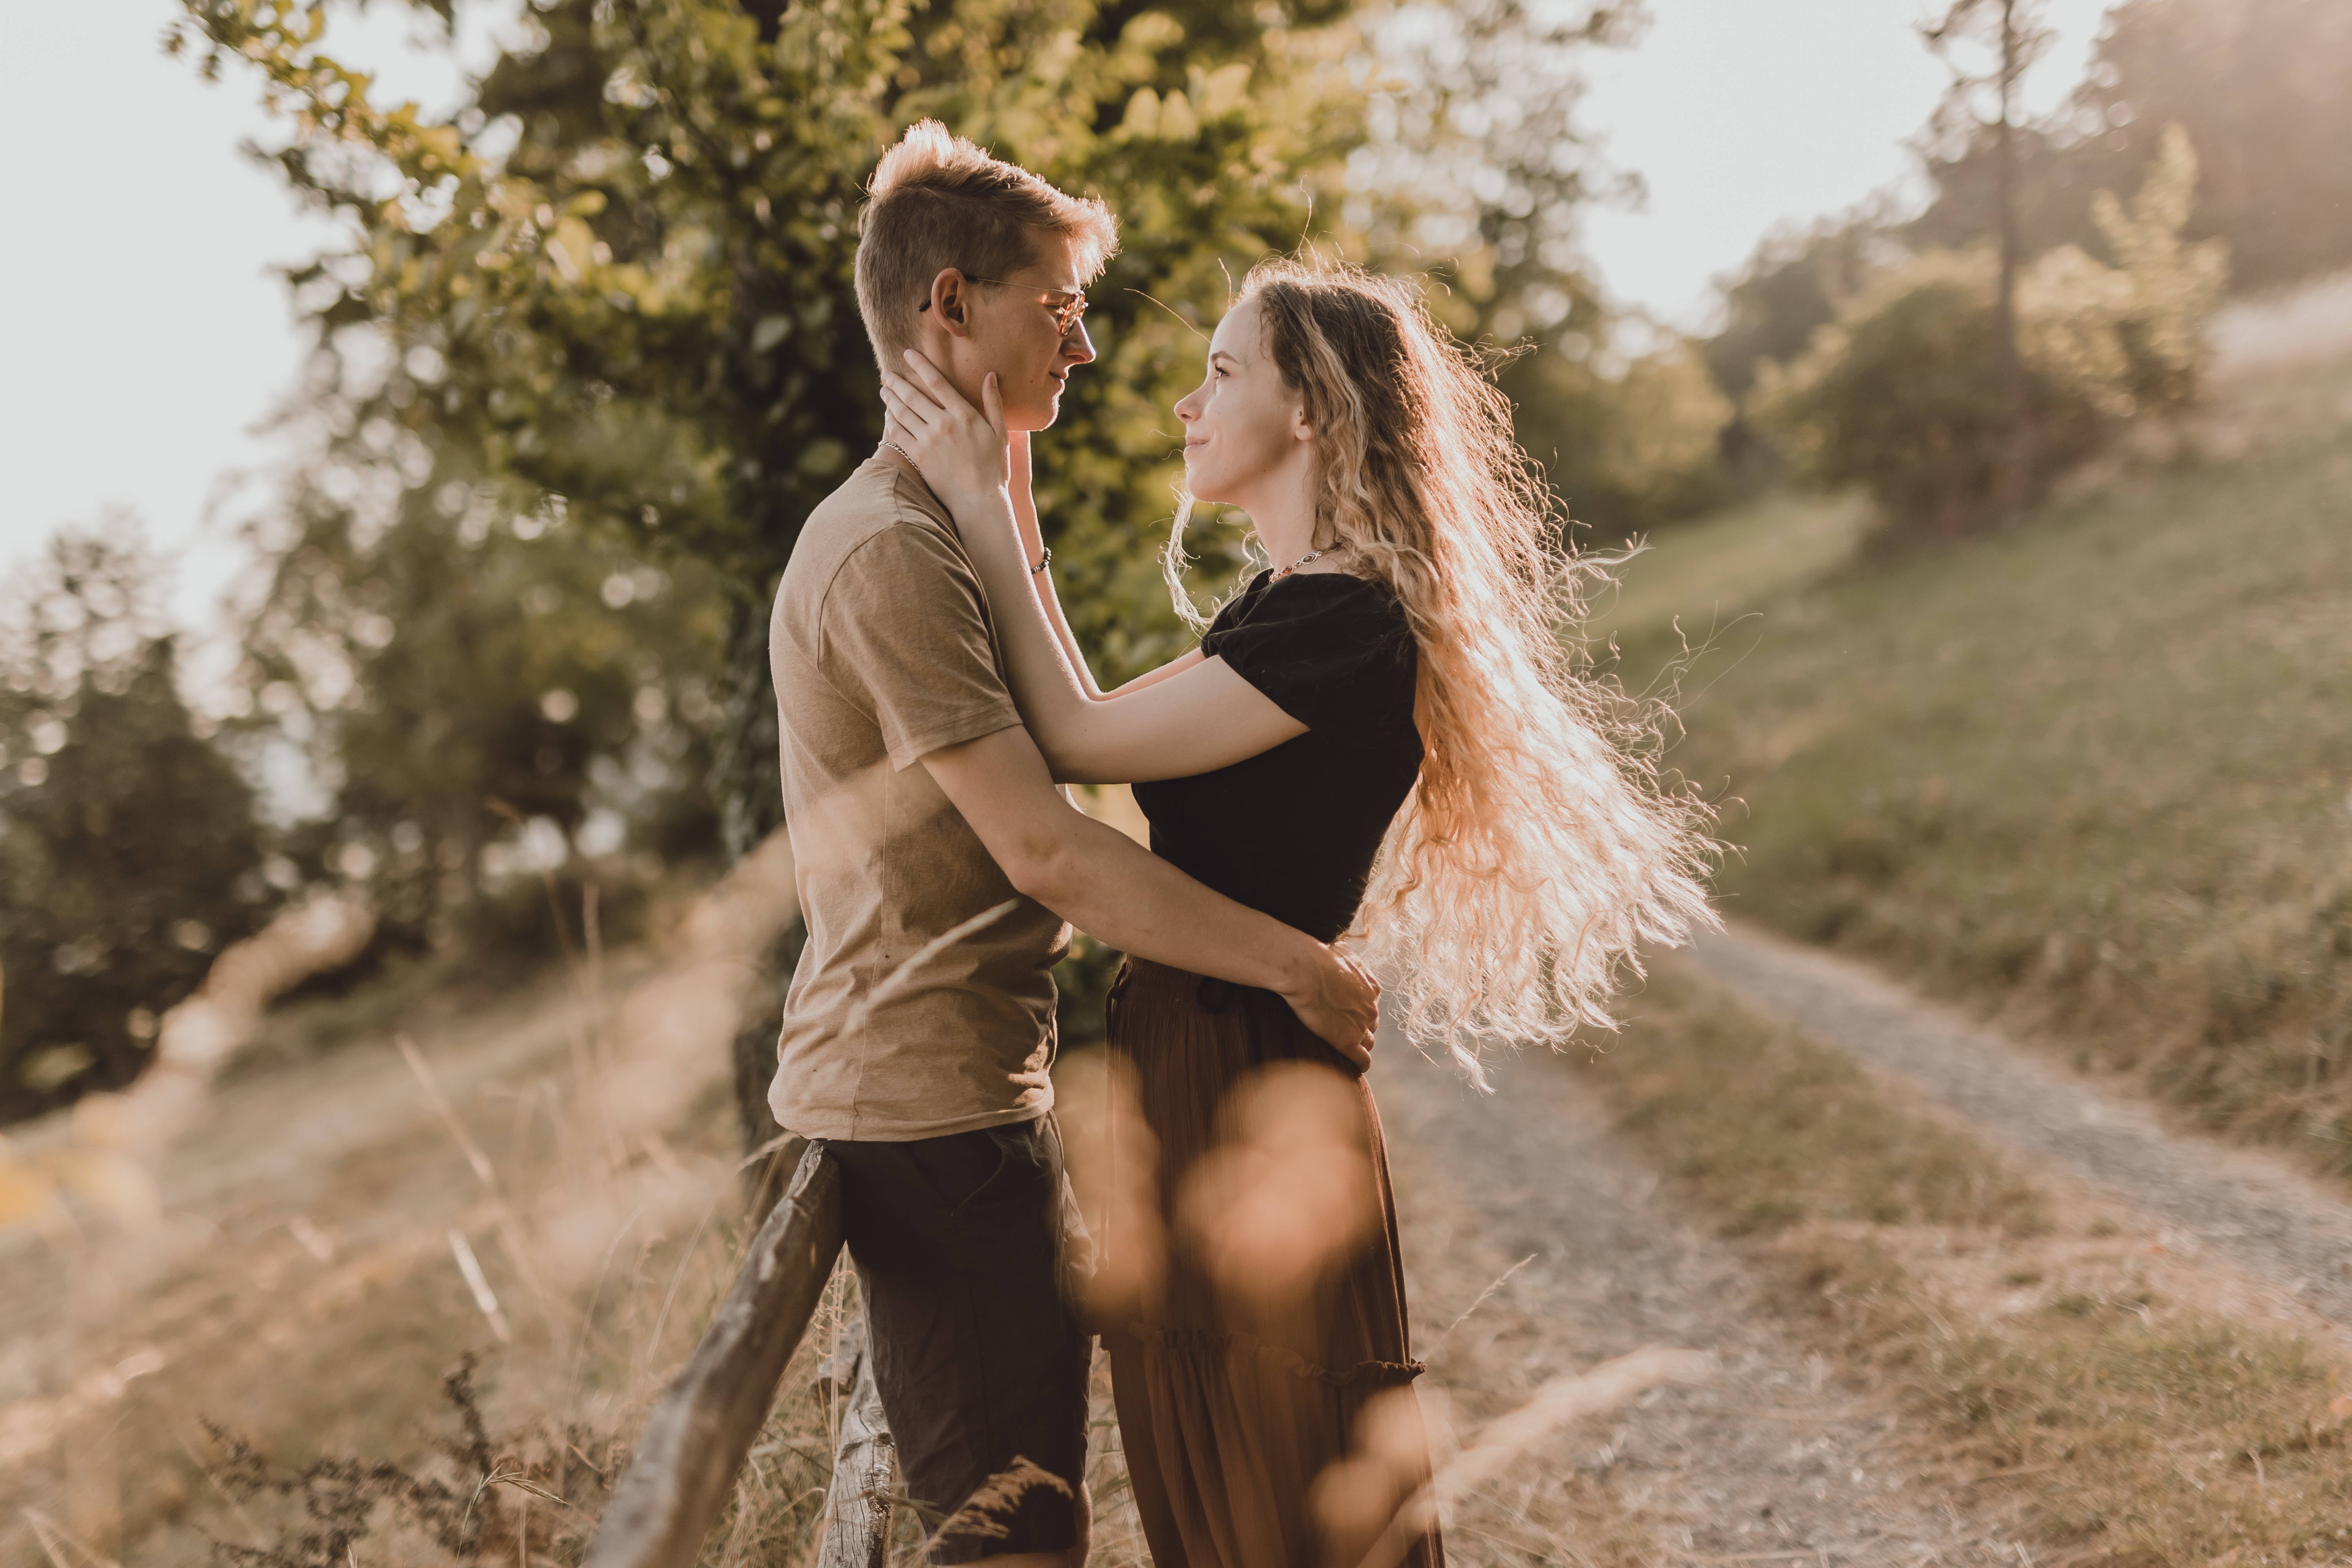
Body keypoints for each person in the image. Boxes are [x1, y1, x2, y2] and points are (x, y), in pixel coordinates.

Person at [878, 255, 1719, 1567]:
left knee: (1274, 1477)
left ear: (1313, 406)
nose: (1184, 407)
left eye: (1221, 372)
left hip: (1245, 1061)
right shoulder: (1287, 607)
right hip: (1210, 1047)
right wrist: (1007, 504)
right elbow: (1096, 728)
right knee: (1222, 1466)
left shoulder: (1342, 624)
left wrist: (995, 500)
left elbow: (1067, 730)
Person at [767, 126, 1384, 1568]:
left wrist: (1009, 505)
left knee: (1040, 1515)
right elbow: (1049, 850)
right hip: (923, 1108)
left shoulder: (939, 530)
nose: (1089, 349)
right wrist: (1297, 966)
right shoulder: (893, 553)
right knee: (1016, 1541)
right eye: (1059, 309)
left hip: (971, 1085)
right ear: (950, 308)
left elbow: (1076, 753)